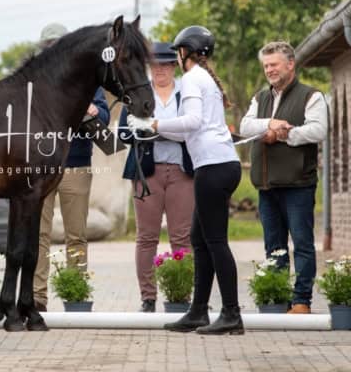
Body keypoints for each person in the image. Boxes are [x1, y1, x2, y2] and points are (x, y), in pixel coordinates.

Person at [127, 26, 242, 335]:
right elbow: (188, 129)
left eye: (176, 54)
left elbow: (191, 122)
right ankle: (198, 311)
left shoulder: (191, 79)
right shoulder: (205, 78)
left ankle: (232, 313)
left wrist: (153, 122)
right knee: (199, 241)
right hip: (220, 163)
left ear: (185, 52)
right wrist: (156, 127)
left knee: (215, 242)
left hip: (213, 167)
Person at [240, 41, 327, 314]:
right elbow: (245, 126)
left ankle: (302, 301)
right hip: (266, 185)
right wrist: (269, 124)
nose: (269, 70)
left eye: (274, 64)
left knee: (302, 244)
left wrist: (285, 134)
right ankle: (277, 299)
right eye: (266, 66)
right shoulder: (259, 98)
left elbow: (318, 130)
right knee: (274, 248)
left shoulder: (311, 96)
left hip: (298, 183)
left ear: (290, 64)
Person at [33, 23, 110, 312]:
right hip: (41, 168)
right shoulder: (36, 81)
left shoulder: (88, 78)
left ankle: (75, 294)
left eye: (58, 44)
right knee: (37, 235)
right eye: (48, 45)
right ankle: (36, 296)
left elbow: (103, 114)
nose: (53, 49)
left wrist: (93, 110)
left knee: (76, 235)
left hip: (76, 165)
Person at [118, 42, 194, 313]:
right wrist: (165, 130)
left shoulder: (187, 93)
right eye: (155, 65)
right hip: (145, 171)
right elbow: (124, 133)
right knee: (147, 236)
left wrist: (153, 128)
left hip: (182, 172)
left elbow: (193, 129)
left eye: (165, 64)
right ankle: (147, 298)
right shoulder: (138, 92)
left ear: (174, 66)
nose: (159, 69)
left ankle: (181, 294)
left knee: (181, 236)